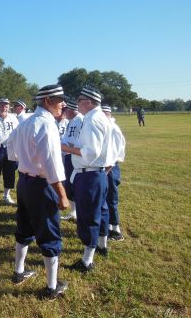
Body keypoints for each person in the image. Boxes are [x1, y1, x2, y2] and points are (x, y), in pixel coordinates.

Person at [7, 84, 70, 299]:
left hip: (24, 181)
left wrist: (23, 161)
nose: (63, 103)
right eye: (59, 99)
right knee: (49, 233)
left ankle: (18, 271)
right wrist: (61, 194)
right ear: (47, 101)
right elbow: (51, 163)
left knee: (24, 227)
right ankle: (52, 287)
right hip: (41, 185)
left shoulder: (27, 122)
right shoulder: (46, 124)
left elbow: (11, 146)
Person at [62, 87, 115, 272]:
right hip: (97, 173)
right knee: (100, 210)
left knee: (88, 215)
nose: (77, 104)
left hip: (89, 173)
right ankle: (101, 245)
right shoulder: (102, 119)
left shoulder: (92, 120)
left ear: (89, 102)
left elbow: (90, 153)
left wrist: (65, 148)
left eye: (79, 100)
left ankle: (87, 260)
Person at [0, 98, 19, 205]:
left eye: (6, 105)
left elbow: (17, 132)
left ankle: (7, 195)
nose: (4, 107)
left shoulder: (13, 118)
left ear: (9, 106)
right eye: (1, 105)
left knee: (10, 172)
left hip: (10, 148)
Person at [101, 105, 126, 241]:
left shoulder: (113, 129)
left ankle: (116, 230)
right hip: (106, 166)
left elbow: (115, 153)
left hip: (110, 167)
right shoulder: (107, 127)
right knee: (106, 197)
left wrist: (106, 171)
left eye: (104, 113)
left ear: (109, 114)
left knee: (111, 198)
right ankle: (109, 227)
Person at [60, 101, 84, 221]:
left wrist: (64, 145)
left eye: (66, 110)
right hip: (68, 155)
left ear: (71, 110)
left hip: (75, 156)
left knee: (75, 183)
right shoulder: (72, 121)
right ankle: (74, 211)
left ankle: (79, 212)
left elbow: (78, 142)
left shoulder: (80, 121)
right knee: (69, 183)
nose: (64, 113)